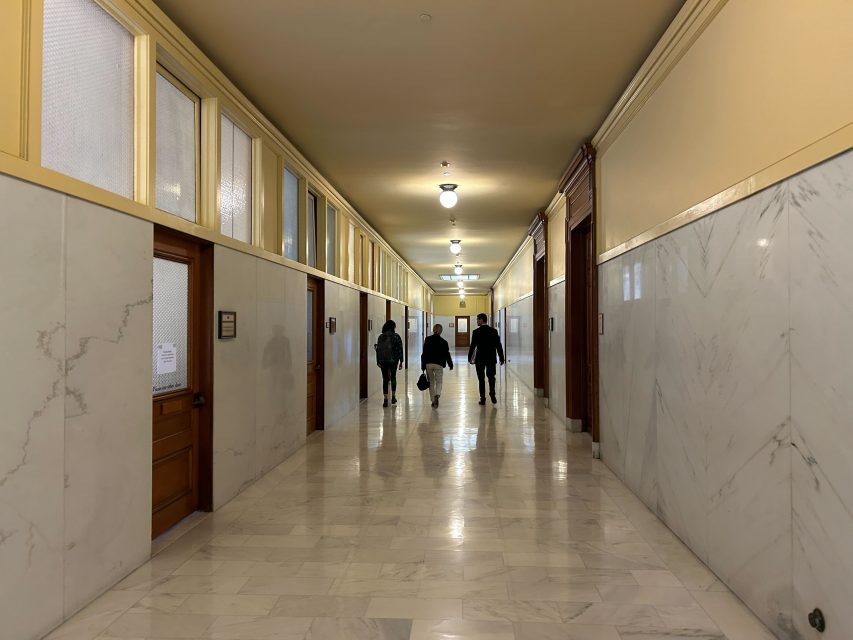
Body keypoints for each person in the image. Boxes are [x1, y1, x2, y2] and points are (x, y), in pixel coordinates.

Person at [468, 313, 505, 405]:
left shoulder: (476, 332)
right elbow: (498, 345)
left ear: (481, 320)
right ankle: (492, 393)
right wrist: (501, 357)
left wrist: (469, 357)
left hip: (480, 358)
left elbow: (472, 346)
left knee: (481, 379)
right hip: (491, 358)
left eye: (477, 319)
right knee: (491, 377)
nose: (476, 321)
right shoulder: (493, 331)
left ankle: (483, 399)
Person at [420, 324, 453, 408]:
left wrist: (423, 365)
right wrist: (450, 364)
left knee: (431, 382)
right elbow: (447, 354)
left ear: (433, 329)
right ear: (441, 331)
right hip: (439, 364)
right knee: (439, 381)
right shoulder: (444, 342)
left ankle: (433, 400)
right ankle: (437, 395)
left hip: (428, 364)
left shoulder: (427, 339)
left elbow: (423, 354)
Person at [375, 319, 404, 407]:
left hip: (383, 360)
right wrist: (401, 361)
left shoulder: (381, 337)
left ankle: (385, 399)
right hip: (393, 360)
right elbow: (400, 349)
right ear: (393, 327)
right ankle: (393, 397)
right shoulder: (396, 336)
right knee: (393, 377)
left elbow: (378, 350)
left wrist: (378, 361)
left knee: (385, 379)